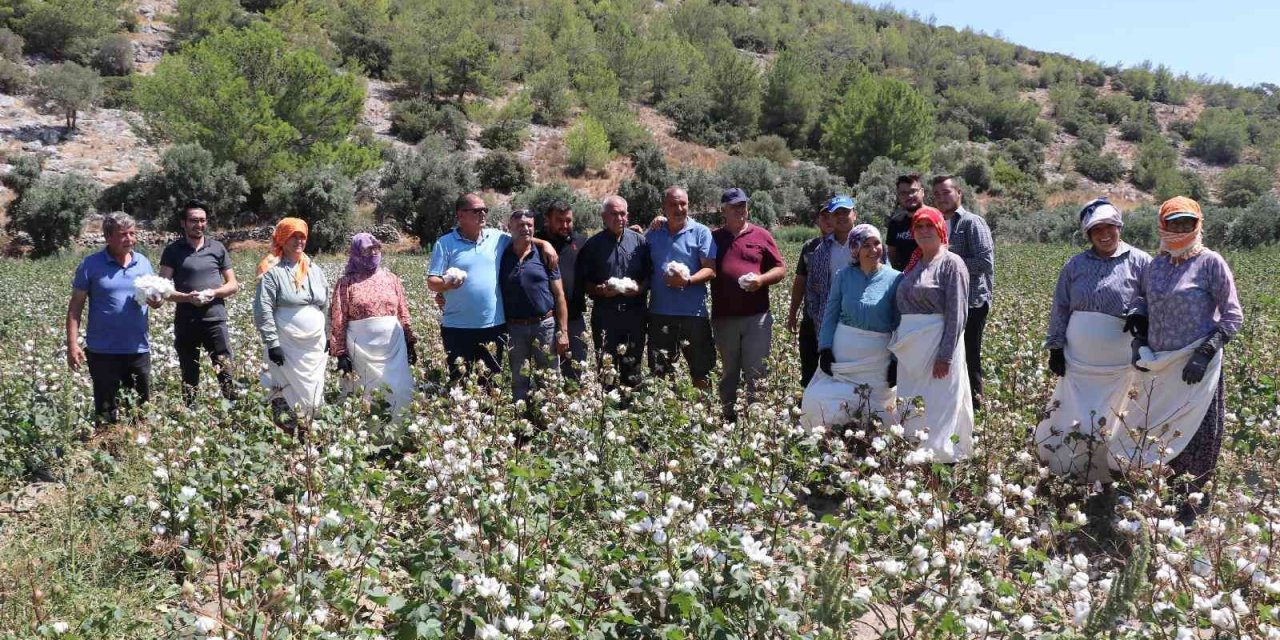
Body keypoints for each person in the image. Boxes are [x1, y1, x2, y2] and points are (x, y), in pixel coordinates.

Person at [1119, 196, 1243, 522]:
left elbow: (1232, 316)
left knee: (1197, 434)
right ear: (1162, 225)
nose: (1180, 229)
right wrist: (1138, 330)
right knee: (1160, 430)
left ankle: (1190, 508)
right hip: (1160, 364)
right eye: (1173, 223)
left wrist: (1203, 353)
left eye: (1186, 223)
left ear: (1198, 225)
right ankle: (1159, 503)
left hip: (1196, 367)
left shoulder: (1210, 263)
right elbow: (1142, 299)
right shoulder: (1155, 265)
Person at [1035, 199, 1152, 482]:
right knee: (1075, 408)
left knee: (1113, 412)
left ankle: (1107, 470)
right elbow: (1061, 306)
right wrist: (1056, 347)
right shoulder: (1075, 265)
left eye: (1109, 227)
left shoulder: (1141, 261)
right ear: (1088, 234)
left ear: (1119, 227)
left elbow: (1154, 300)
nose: (1104, 234)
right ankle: (1067, 467)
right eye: (1096, 229)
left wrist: (1142, 315)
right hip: (1079, 359)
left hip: (1119, 361)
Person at [428, 193, 559, 385]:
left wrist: (545, 243)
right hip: (456, 327)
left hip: (493, 327)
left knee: (490, 384)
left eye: (484, 210)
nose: (482, 214)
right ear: (460, 215)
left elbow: (523, 236)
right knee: (459, 382)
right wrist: (446, 285)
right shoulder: (445, 243)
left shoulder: (496, 238)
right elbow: (432, 281)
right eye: (476, 211)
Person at [889, 207, 974, 464]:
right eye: (919, 227)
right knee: (913, 402)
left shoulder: (952, 264)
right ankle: (914, 452)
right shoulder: (914, 263)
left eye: (929, 226)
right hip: (912, 351)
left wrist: (945, 356)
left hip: (938, 348)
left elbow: (957, 314)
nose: (924, 231)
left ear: (940, 229)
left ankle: (941, 458)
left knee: (940, 400)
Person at [801, 224, 901, 429]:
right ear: (855, 249)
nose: (874, 250)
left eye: (877, 243)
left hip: (877, 361)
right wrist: (825, 348)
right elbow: (831, 314)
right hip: (843, 360)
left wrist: (895, 360)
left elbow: (899, 322)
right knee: (817, 400)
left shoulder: (896, 278)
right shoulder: (843, 275)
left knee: (877, 410)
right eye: (866, 245)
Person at [67, 212, 161, 425]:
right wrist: (72, 345)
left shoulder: (143, 262)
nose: (130, 239)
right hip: (103, 352)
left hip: (137, 349)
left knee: (141, 409)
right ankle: (107, 453)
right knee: (106, 411)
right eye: (123, 235)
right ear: (108, 237)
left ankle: (139, 453)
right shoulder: (90, 265)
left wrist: (157, 301)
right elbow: (75, 307)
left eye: (132, 233)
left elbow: (155, 296)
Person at [710, 188, 786, 419]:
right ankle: (728, 416)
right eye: (734, 206)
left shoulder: (761, 235)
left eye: (742, 205)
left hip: (757, 318)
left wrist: (761, 280)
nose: (740, 210)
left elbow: (781, 268)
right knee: (729, 371)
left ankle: (756, 422)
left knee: (756, 371)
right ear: (723, 209)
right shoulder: (714, 237)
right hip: (724, 318)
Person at [159, 201, 239, 403]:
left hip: (215, 320)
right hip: (186, 322)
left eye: (202, 220)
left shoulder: (218, 248)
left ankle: (233, 411)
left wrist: (214, 292)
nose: (199, 225)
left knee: (225, 370)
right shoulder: (173, 251)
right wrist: (186, 298)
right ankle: (189, 414)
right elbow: (162, 290)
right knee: (189, 372)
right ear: (183, 223)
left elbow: (233, 285)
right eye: (193, 220)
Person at [329, 233, 417, 417]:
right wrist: (341, 353)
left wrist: (410, 342)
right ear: (356, 253)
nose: (374, 253)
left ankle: (398, 436)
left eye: (376, 248)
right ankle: (367, 441)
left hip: (393, 347)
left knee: (398, 390)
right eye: (368, 250)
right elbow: (338, 319)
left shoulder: (391, 279)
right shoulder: (346, 283)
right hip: (361, 349)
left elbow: (403, 311)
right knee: (365, 393)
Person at [254, 218, 330, 424]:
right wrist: (273, 343)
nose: (299, 241)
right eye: (293, 236)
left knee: (314, 390)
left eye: (302, 236)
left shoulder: (314, 269)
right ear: (282, 238)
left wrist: (328, 332)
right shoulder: (272, 272)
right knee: (284, 388)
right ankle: (288, 439)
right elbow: (263, 309)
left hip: (314, 346)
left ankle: (312, 437)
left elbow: (325, 304)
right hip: (286, 344)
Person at [932, 175, 994, 410]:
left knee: (969, 356)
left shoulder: (971, 222)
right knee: (951, 355)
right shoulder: (937, 224)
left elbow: (984, 262)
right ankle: (953, 404)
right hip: (946, 302)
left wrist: (948, 264)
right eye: (937, 194)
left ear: (959, 193)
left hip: (972, 302)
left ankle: (976, 408)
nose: (941, 197)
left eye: (946, 192)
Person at [646, 186, 717, 388]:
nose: (679, 208)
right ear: (663, 208)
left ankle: (704, 415)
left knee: (701, 371)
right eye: (673, 204)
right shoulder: (654, 233)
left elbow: (710, 270)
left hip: (693, 315)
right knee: (661, 371)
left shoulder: (701, 232)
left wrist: (686, 281)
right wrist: (635, 228)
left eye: (683, 203)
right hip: (660, 313)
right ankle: (667, 416)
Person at [580, 195, 650, 389]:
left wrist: (639, 289)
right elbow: (584, 281)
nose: (619, 218)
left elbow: (648, 276)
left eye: (622, 214)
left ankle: (631, 412)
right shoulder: (592, 245)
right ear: (604, 216)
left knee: (633, 367)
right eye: (613, 214)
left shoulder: (639, 242)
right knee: (606, 368)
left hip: (634, 313)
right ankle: (607, 412)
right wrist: (599, 290)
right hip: (605, 315)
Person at [500, 209, 570, 404]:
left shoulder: (545, 255)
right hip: (515, 328)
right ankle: (521, 424)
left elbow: (559, 295)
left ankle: (548, 422)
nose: (526, 229)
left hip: (544, 325)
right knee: (519, 379)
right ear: (510, 228)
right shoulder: (501, 255)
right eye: (520, 225)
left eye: (529, 225)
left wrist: (563, 332)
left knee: (548, 378)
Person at [537, 201, 590, 382]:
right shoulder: (535, 242)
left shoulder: (581, 242)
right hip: (544, 321)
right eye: (559, 221)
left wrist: (634, 230)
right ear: (547, 220)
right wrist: (542, 242)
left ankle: (573, 408)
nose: (565, 226)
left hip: (574, 318)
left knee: (575, 373)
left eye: (568, 221)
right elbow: (515, 239)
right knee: (544, 376)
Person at [786, 205, 836, 388]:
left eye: (833, 216)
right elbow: (800, 282)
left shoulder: (849, 246)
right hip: (811, 319)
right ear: (817, 221)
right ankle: (808, 410)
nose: (829, 220)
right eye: (824, 217)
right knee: (809, 369)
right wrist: (792, 314)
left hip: (837, 322)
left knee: (834, 371)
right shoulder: (810, 247)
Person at [885, 174, 924, 271]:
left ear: (922, 192)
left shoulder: (936, 218)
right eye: (903, 193)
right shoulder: (895, 222)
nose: (909, 196)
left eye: (913, 191)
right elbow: (892, 254)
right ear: (898, 196)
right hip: (904, 280)